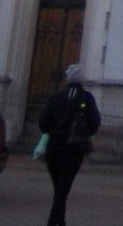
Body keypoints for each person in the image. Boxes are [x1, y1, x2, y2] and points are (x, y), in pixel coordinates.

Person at [39, 62, 101, 226]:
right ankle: (54, 222)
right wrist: (84, 133)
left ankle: (60, 221)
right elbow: (95, 122)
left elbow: (43, 123)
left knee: (59, 187)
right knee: (62, 189)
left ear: (68, 78)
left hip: (53, 148)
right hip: (74, 148)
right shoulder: (86, 98)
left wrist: (54, 131)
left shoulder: (56, 96)